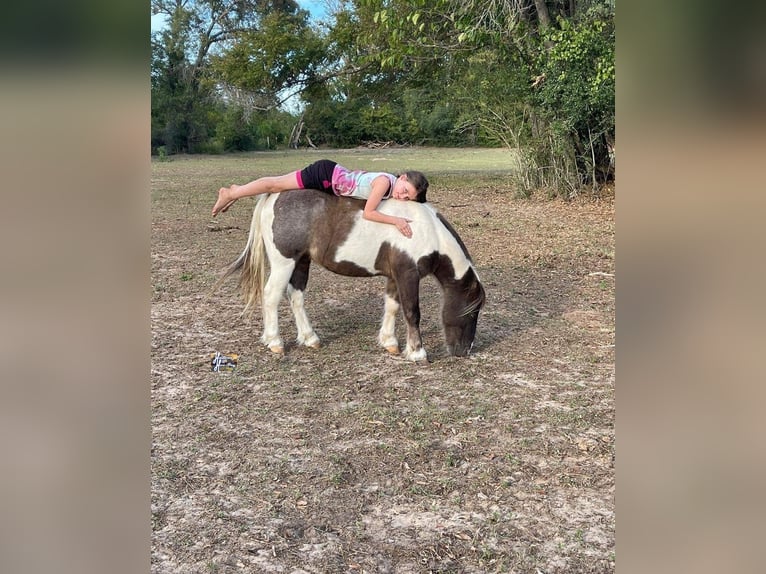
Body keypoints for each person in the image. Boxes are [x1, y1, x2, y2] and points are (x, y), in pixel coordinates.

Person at [212, 159, 429, 238]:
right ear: (402, 177)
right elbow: (369, 213)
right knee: (275, 185)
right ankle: (231, 193)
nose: (401, 196)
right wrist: (397, 221)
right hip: (325, 175)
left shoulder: (391, 184)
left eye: (407, 197)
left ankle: (236, 190)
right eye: (404, 189)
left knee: (275, 184)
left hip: (332, 178)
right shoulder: (384, 183)